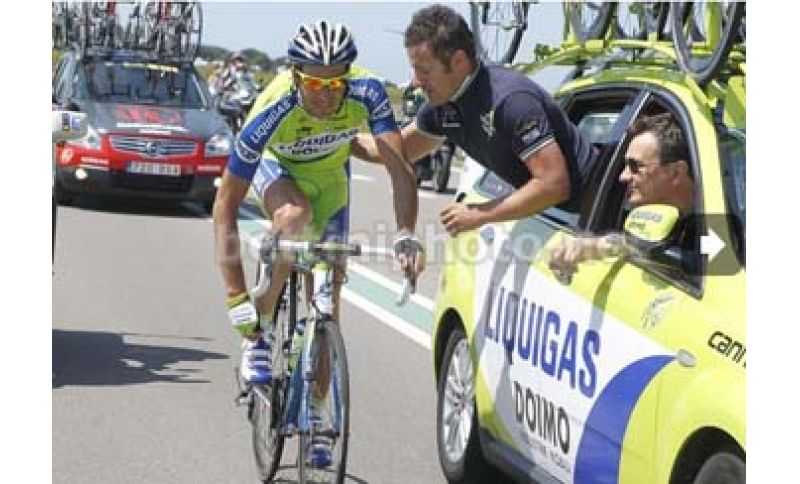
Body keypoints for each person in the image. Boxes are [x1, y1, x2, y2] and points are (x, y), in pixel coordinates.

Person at [212, 19, 423, 467]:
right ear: (295, 76)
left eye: (335, 83)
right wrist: (235, 297)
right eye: (313, 83)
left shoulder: (367, 92)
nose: (326, 95)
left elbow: (400, 168)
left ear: (348, 76)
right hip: (278, 170)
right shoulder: (272, 108)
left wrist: (406, 233)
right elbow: (225, 206)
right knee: (295, 217)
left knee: (326, 303)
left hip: (330, 181)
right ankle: (260, 331)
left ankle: (316, 412)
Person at [352, 4, 596, 236]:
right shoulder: (442, 105)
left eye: (424, 71)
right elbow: (394, 149)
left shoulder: (510, 100)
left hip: (595, 215)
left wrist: (480, 214)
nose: (416, 81)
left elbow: (554, 184)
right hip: (554, 221)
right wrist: (339, 137)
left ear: (459, 61)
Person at [548, 112, 695, 278]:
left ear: (676, 173)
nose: (622, 176)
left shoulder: (712, 227)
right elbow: (632, 243)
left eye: (635, 166)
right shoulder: (638, 217)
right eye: (625, 165)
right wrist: (595, 246)